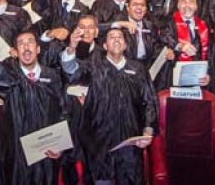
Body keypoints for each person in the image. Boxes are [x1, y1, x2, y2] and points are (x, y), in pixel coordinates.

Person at [61, 27, 158, 185]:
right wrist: (72, 48)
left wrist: (148, 129)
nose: (116, 40)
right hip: (99, 144)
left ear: (126, 45)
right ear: (104, 46)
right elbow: (71, 71)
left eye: (120, 37)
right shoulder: (93, 68)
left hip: (130, 141)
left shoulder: (138, 69)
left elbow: (149, 101)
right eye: (111, 37)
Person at [0, 24, 64, 185]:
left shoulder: (52, 76)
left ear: (38, 49)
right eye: (21, 43)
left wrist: (60, 145)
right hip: (17, 153)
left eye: (30, 42)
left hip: (46, 152)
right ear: (15, 52)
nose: (26, 47)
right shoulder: (9, 76)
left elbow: (63, 111)